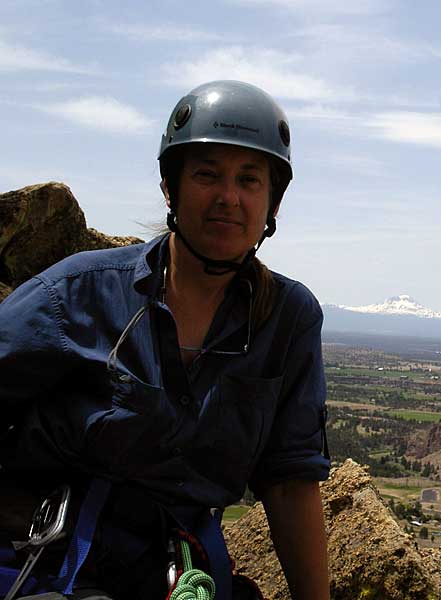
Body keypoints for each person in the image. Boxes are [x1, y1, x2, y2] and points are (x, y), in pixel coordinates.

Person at [0, 80, 331, 600]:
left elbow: (289, 483)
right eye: (207, 175)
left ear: (272, 202)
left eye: (250, 179)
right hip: (55, 558)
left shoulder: (287, 320)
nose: (228, 196)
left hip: (179, 571)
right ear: (171, 187)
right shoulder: (77, 295)